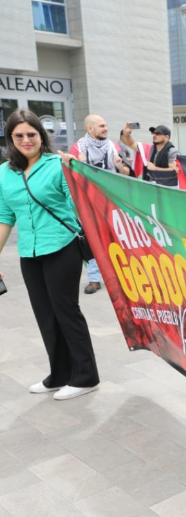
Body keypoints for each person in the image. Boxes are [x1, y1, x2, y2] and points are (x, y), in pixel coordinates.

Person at [0, 110, 100, 401]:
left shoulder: (57, 164)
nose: (26, 140)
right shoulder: (4, 172)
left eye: (31, 134)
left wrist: (77, 173)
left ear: (41, 135)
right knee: (44, 314)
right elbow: (5, 216)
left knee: (66, 310)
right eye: (19, 135)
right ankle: (59, 374)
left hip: (62, 246)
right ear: (10, 139)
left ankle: (86, 376)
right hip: (29, 252)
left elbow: (78, 203)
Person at [70, 114, 130, 295]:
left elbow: (127, 173)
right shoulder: (78, 148)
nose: (106, 128)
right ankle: (94, 279)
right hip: (88, 203)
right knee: (92, 240)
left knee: (116, 239)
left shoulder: (114, 147)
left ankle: (120, 278)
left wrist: (119, 166)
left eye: (106, 125)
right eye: (102, 126)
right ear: (90, 128)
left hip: (111, 201)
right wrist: (78, 165)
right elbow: (69, 176)